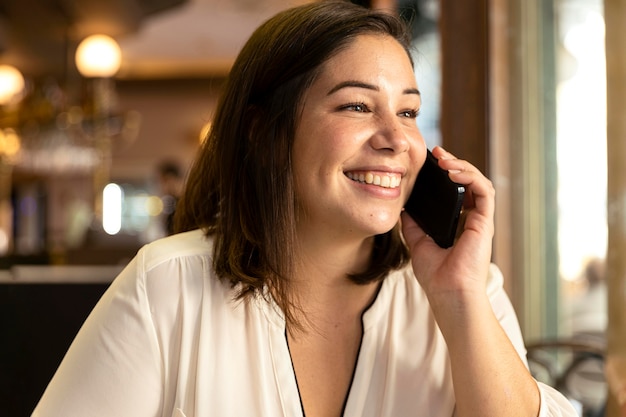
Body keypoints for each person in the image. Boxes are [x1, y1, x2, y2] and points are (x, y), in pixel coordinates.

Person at [33, 2, 577, 416]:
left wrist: (459, 297)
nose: (397, 139)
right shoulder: (167, 285)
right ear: (264, 132)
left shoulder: (468, 292)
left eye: (409, 111)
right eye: (357, 105)